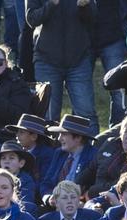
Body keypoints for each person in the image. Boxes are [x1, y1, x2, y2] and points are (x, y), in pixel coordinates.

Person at [27, 0, 99, 130]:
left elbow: (93, 18)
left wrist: (84, 7)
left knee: (86, 114)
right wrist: (51, 4)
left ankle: (92, 150)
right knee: (48, 116)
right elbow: (32, 19)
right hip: (46, 60)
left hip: (79, 59)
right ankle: (50, 150)